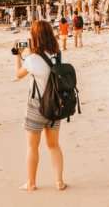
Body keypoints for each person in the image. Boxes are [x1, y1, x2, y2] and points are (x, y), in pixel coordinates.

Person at [13, 20, 66, 192]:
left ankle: (31, 183)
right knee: (54, 145)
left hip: (36, 106)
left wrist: (17, 56)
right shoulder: (57, 55)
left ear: (35, 37)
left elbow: (18, 75)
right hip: (55, 106)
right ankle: (59, 182)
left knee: (32, 146)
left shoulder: (32, 59)